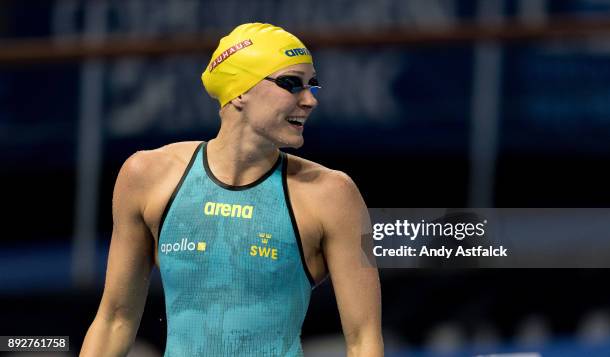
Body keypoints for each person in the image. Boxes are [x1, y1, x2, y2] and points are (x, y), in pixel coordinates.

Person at [80, 23, 383, 357]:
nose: (310, 100)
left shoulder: (331, 195)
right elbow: (114, 321)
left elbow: (364, 341)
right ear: (240, 91)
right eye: (291, 84)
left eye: (312, 85)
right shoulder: (146, 176)